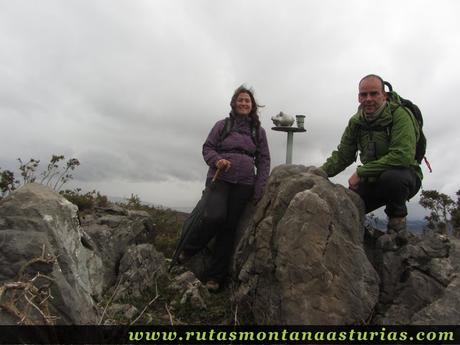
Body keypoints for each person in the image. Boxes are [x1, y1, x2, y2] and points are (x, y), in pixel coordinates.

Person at [179, 85, 270, 291]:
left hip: (245, 183)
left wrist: (259, 188)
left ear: (252, 105)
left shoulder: (258, 131)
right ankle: (190, 248)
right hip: (220, 178)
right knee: (214, 217)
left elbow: (263, 160)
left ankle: (215, 278)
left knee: (229, 228)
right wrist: (217, 159)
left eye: (247, 100)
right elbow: (207, 148)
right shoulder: (222, 125)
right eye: (240, 100)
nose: (244, 103)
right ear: (234, 103)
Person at [320, 74, 422, 232]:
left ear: (384, 95)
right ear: (358, 98)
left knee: (393, 178)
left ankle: (397, 228)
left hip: (404, 177)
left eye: (374, 93)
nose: (368, 98)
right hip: (372, 180)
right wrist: (319, 173)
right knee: (347, 205)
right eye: (363, 94)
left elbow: (402, 156)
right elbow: (343, 156)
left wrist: (361, 172)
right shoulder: (356, 122)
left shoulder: (400, 115)